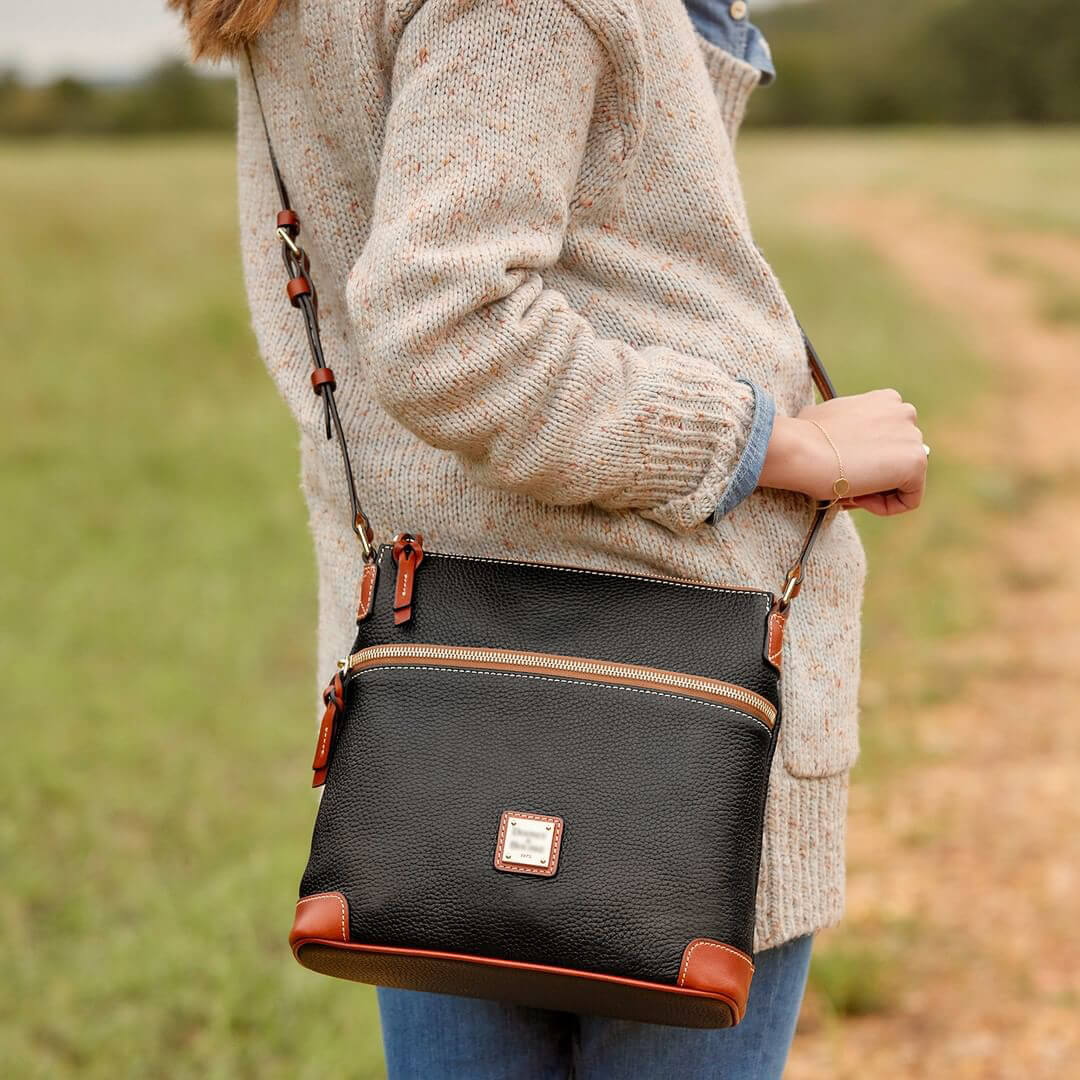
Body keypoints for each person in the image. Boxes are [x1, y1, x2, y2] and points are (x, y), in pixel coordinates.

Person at [172, 0, 927, 1076]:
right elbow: (446, 322)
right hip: (676, 678)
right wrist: (774, 445)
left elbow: (618, 210)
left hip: (436, 671)